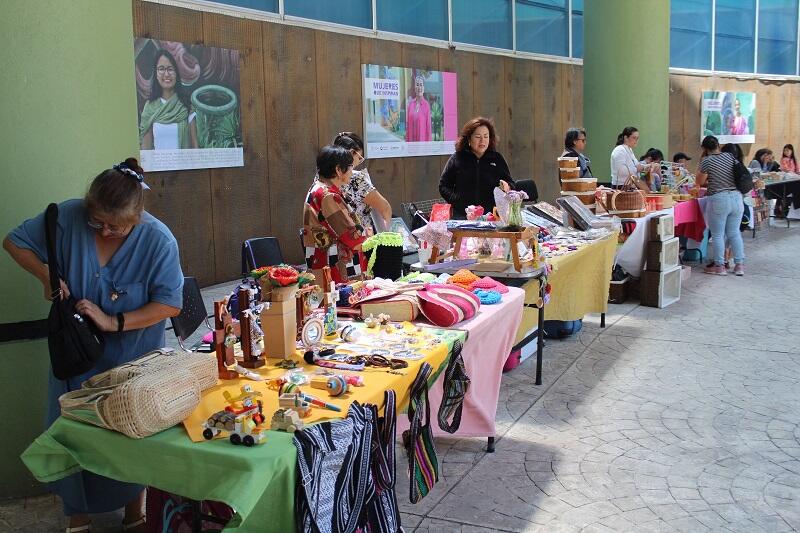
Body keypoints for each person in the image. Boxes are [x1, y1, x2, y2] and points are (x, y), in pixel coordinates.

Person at [3, 159, 183, 532]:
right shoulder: (67, 216)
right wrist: (46, 277)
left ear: (137, 215)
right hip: (76, 359)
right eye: (96, 221)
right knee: (75, 434)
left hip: (133, 359)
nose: (104, 230)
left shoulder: (159, 240)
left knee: (131, 436)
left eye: (115, 226)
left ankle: (135, 513)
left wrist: (113, 320)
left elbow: (169, 303)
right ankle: (77, 516)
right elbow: (14, 242)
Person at [303, 145, 367, 283]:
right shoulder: (328, 196)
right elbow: (350, 237)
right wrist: (373, 238)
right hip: (333, 266)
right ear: (338, 170)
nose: (352, 171)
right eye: (350, 166)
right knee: (339, 302)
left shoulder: (317, 188)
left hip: (320, 261)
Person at [439, 117, 514, 218]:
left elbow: (511, 184)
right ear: (469, 139)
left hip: (491, 216)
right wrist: (457, 201)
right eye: (478, 136)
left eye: (486, 136)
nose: (482, 140)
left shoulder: (497, 159)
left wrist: (507, 187)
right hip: (463, 216)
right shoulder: (457, 158)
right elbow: (443, 185)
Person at [695, 136, 745, 276]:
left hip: (719, 199)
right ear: (718, 145)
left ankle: (719, 266)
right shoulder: (730, 156)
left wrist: (702, 161)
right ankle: (739, 265)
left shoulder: (707, 160)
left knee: (717, 235)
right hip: (736, 198)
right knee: (734, 233)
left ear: (704, 149)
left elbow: (699, 181)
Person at [331, 132, 392, 232]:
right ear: (351, 153)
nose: (358, 163)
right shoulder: (356, 178)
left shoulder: (322, 178)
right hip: (359, 241)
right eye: (359, 158)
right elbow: (385, 208)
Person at [139, 50, 198, 150]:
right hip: (158, 165)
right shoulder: (150, 107)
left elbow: (195, 148)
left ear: (176, 74)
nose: (166, 74)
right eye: (161, 69)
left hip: (184, 165)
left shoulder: (186, 106)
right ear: (156, 74)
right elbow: (146, 151)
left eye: (170, 69)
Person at [610, 126, 651, 191]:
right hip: (621, 187)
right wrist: (636, 169)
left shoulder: (629, 150)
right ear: (626, 138)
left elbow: (638, 165)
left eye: (637, 138)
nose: (636, 141)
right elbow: (621, 171)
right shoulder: (619, 150)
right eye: (634, 138)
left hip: (631, 185)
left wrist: (647, 166)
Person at [405, 74, 431, 142]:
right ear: (414, 87)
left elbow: (428, 128)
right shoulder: (410, 104)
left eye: (421, 85)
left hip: (422, 146)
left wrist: (429, 147)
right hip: (411, 144)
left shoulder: (426, 105)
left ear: (423, 88)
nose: (419, 87)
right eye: (417, 84)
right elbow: (407, 126)